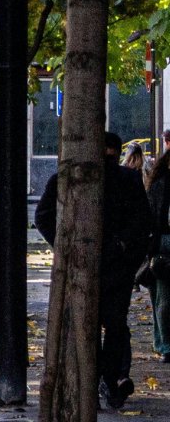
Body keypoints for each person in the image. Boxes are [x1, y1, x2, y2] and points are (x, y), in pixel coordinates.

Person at [35, 132, 151, 411]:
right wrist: (126, 253)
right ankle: (108, 379)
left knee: (91, 325)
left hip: (94, 266)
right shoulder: (125, 179)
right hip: (114, 268)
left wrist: (66, 248)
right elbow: (143, 225)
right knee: (114, 326)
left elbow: (42, 217)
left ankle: (102, 379)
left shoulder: (70, 177)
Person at [145, 149, 170, 364]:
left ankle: (163, 343)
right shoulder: (161, 184)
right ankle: (164, 344)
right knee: (163, 297)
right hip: (163, 244)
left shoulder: (157, 183)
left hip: (160, 244)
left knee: (162, 298)